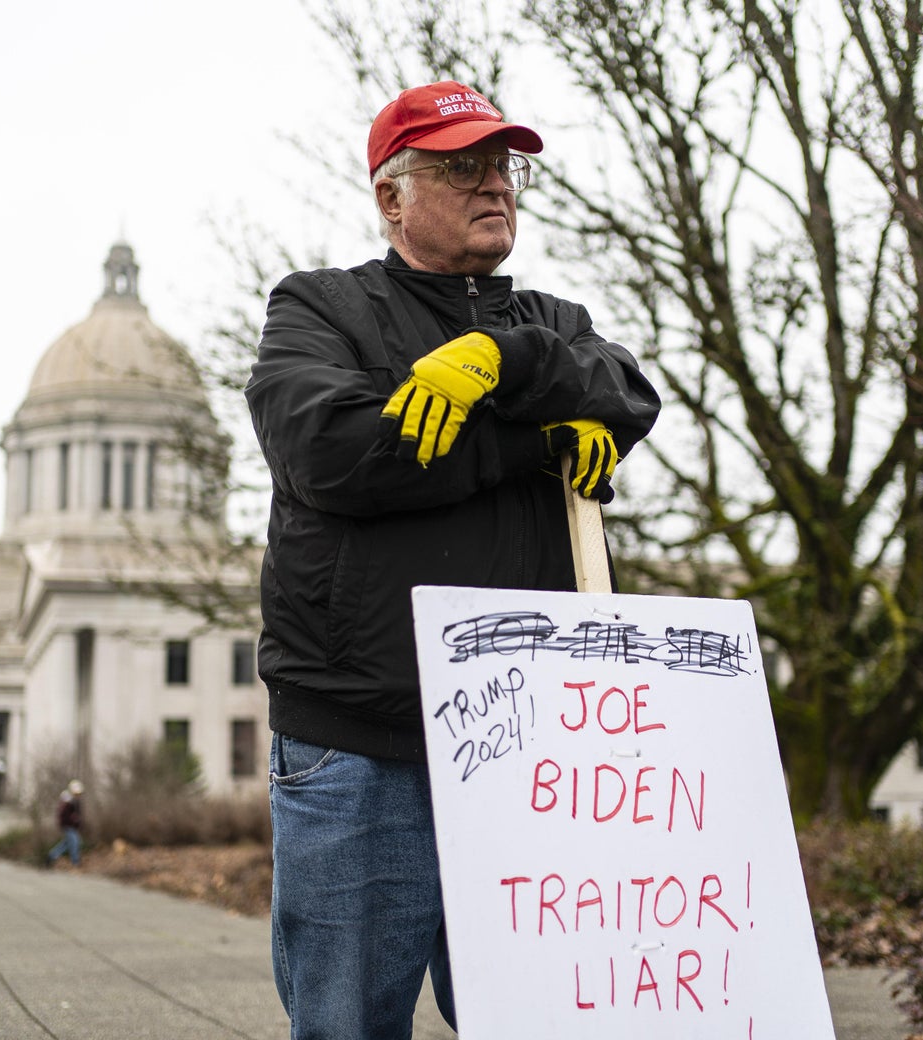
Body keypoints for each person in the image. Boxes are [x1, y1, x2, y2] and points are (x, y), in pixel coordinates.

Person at [246, 80, 661, 1039]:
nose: (495, 187)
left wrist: (500, 364)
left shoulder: (552, 321)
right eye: (461, 167)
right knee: (349, 1023)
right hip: (361, 744)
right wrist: (532, 443)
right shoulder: (319, 309)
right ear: (391, 197)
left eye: (504, 166)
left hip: (532, 748)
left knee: (540, 1020)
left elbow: (627, 391)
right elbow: (335, 452)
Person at [47, 779, 83, 867]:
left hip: (72, 826)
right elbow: (65, 816)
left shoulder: (75, 802)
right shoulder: (68, 801)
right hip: (68, 826)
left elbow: (78, 815)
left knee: (67, 843)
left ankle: (51, 855)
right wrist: (73, 821)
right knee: (75, 842)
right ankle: (75, 862)